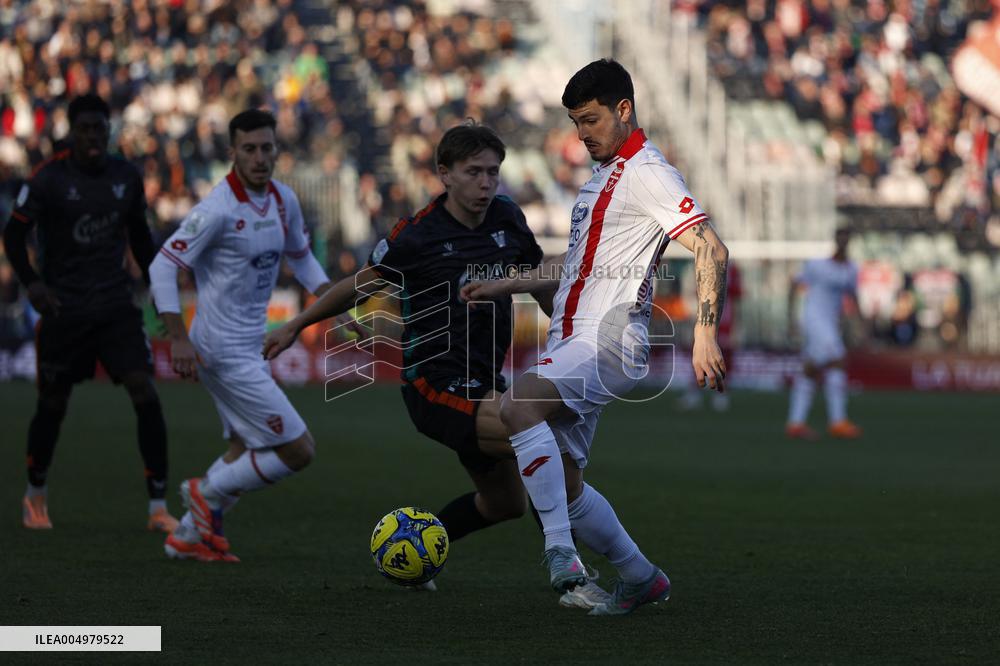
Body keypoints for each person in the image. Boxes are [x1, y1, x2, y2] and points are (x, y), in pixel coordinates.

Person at [263, 122, 611, 608]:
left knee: (504, 503)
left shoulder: (508, 219)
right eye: (474, 172)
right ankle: (572, 578)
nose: (486, 183)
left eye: (493, 172)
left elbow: (536, 281)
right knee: (545, 447)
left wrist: (573, 334)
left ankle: (409, 546)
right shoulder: (418, 234)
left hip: (488, 383)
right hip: (435, 385)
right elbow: (361, 285)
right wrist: (295, 324)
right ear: (444, 174)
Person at [461, 59, 731, 615]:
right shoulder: (603, 179)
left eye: (589, 120)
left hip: (605, 339)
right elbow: (578, 266)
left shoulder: (648, 171)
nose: (581, 134)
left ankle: (561, 553)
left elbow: (710, 247)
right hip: (572, 339)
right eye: (575, 123)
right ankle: (641, 577)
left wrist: (705, 334)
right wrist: (505, 284)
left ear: (624, 110)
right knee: (565, 481)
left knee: (517, 409)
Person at [149, 109, 331, 562]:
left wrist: (332, 297)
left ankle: (187, 539)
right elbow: (162, 266)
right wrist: (177, 338)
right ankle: (204, 493)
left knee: (244, 445)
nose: (260, 157)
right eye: (249, 149)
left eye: (267, 147)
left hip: (252, 345)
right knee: (297, 449)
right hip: (221, 349)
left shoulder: (283, 200)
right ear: (232, 153)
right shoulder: (217, 210)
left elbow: (302, 258)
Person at [2, 94, 177, 533]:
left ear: (109, 130)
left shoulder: (125, 177)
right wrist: (34, 284)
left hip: (115, 307)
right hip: (64, 309)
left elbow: (140, 238)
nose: (93, 137)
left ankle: (158, 506)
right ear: (71, 132)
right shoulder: (48, 179)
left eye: (100, 128)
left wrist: (155, 287)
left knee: (145, 392)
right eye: (85, 129)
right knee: (53, 404)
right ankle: (35, 495)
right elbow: (13, 233)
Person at [785, 228, 862, 440]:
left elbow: (854, 298)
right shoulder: (817, 265)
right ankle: (838, 421)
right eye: (841, 237)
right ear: (836, 239)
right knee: (838, 359)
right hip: (814, 321)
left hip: (830, 324)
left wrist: (860, 326)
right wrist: (791, 319)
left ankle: (795, 423)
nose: (844, 241)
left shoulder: (851, 269)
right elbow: (794, 285)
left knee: (810, 370)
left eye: (847, 237)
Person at [677, 261, 742, 411]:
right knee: (699, 355)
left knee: (722, 358)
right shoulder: (701, 266)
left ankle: (721, 394)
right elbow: (695, 297)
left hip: (725, 322)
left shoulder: (732, 270)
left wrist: (737, 325)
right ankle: (695, 392)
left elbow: (737, 300)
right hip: (703, 321)